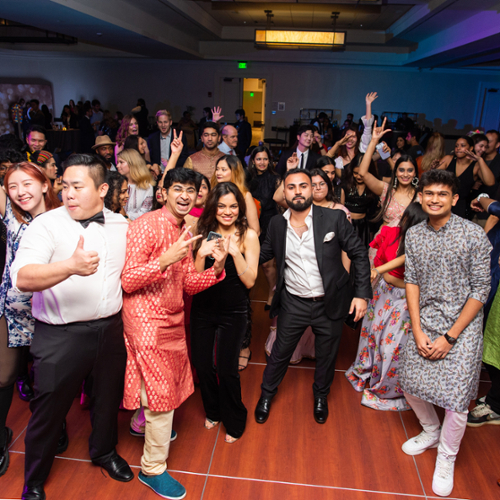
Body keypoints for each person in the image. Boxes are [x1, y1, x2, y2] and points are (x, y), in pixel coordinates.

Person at [10, 154, 133, 500]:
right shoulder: (46, 225)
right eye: (65, 186)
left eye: (77, 187)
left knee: (107, 399)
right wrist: (69, 267)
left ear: (103, 189)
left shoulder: (121, 226)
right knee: (48, 410)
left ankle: (105, 452)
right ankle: (34, 478)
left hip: (109, 330)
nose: (69, 194)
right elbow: (22, 277)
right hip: (60, 336)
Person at [121, 167, 229, 499]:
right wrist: (165, 259)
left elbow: (188, 284)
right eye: (177, 188)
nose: (184, 195)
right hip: (145, 318)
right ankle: (152, 468)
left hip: (171, 315)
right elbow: (128, 281)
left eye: (191, 190)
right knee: (162, 391)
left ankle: (145, 423)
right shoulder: (146, 226)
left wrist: (217, 267)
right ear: (163, 192)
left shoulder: (185, 229)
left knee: (161, 384)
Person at [399, 169, 491, 497]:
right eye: (429, 194)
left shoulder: (473, 236)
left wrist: (450, 337)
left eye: (442, 194)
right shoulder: (415, 234)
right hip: (425, 320)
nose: (434, 199)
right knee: (408, 379)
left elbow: (481, 290)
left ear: (454, 199)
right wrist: (417, 327)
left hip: (462, 328)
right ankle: (430, 430)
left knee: (456, 399)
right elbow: (412, 280)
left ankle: (447, 457)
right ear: (420, 197)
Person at [254, 168, 371, 425]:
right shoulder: (276, 224)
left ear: (312, 189)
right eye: (292, 187)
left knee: (327, 355)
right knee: (280, 352)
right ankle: (266, 395)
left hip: (328, 301)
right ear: (284, 192)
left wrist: (362, 294)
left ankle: (320, 396)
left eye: (303, 186)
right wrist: (232, 261)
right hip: (293, 303)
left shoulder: (333, 219)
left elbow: (360, 254)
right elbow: (262, 256)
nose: (298, 192)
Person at [0, 162, 60, 478]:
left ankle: (56, 427)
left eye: (27, 184)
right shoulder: (12, 217)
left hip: (48, 311)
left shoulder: (61, 220)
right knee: (2, 376)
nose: (21, 191)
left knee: (47, 380)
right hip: (10, 309)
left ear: (45, 185)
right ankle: (0, 439)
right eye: (13, 186)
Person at [191, 181, 259, 443]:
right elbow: (195, 277)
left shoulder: (248, 235)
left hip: (233, 311)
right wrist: (202, 255)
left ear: (239, 208)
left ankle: (235, 419)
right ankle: (213, 410)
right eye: (221, 206)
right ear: (213, 208)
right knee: (203, 364)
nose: (227, 211)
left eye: (232, 206)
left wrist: (234, 253)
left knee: (227, 369)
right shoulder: (203, 229)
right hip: (203, 309)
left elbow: (251, 281)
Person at [346, 202, 427, 411]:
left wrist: (385, 273)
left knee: (391, 345)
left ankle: (387, 389)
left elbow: (408, 266)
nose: (404, 223)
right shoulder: (391, 232)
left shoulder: (425, 244)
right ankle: (367, 372)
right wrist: (377, 272)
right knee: (371, 335)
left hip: (405, 299)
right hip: (383, 292)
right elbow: (374, 249)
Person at [357, 119, 418, 231]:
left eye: (410, 170)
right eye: (401, 170)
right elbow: (362, 173)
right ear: (395, 172)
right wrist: (374, 141)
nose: (405, 174)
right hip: (385, 243)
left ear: (415, 173)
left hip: (408, 243)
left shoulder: (420, 196)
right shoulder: (386, 190)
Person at [246, 146, 280, 309]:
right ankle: (244, 297)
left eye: (265, 159)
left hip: (269, 223)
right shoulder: (247, 178)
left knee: (267, 265)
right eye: (258, 159)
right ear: (253, 161)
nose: (262, 162)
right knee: (247, 262)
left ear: (270, 160)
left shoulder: (275, 179)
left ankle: (272, 293)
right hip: (250, 225)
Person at [437, 135, 495, 219]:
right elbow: (432, 179)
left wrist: (480, 160)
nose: (458, 148)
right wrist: (433, 169)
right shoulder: (448, 159)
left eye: (462, 145)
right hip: (443, 202)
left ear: (471, 148)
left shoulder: (475, 166)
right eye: (456, 146)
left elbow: (490, 182)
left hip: (461, 207)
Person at [327, 92, 377, 178]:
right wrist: (338, 144)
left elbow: (367, 128)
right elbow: (326, 160)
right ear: (343, 139)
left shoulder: (362, 150)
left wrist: (368, 104)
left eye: (353, 136)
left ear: (358, 138)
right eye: (348, 136)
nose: (350, 139)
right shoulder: (339, 161)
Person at [116, 149, 154, 221]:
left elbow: (145, 212)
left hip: (137, 226)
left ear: (132, 163)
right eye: (117, 162)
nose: (117, 166)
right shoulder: (116, 183)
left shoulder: (147, 186)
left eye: (121, 162)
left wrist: (126, 216)